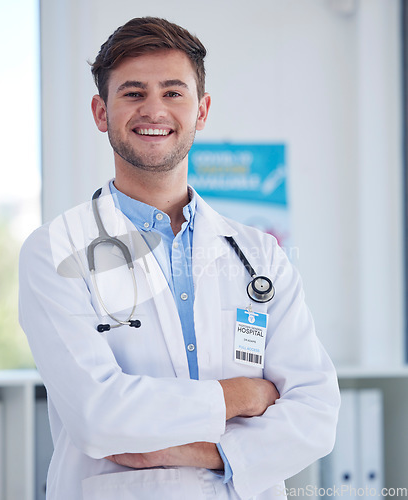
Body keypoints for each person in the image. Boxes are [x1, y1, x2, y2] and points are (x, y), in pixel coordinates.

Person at [19, 16, 340, 500]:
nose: (154, 110)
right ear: (100, 112)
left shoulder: (259, 254)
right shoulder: (56, 250)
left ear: (202, 110)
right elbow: (97, 416)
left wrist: (205, 453)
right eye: (132, 93)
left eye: (173, 93)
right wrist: (241, 396)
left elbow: (316, 414)